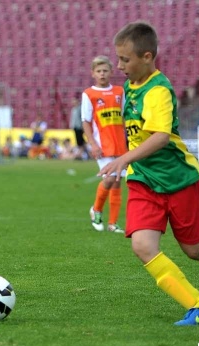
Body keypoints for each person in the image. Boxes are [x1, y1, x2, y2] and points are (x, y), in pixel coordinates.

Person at [99, 21, 199, 325]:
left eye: (125, 60)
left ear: (147, 57)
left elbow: (159, 137)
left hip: (179, 179)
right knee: (142, 246)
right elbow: (135, 135)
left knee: (194, 250)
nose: (119, 66)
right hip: (144, 180)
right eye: (117, 59)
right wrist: (122, 166)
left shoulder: (158, 90)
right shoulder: (130, 88)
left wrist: (122, 159)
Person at [82, 55, 128, 234]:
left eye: (105, 70)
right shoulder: (89, 94)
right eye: (98, 71)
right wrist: (93, 144)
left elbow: (123, 117)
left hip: (119, 144)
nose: (102, 74)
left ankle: (112, 223)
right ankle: (96, 209)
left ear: (111, 72)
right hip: (103, 145)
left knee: (117, 181)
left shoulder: (119, 92)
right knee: (109, 179)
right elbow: (85, 121)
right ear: (93, 73)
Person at [69, 95, 86, 159]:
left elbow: (82, 118)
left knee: (80, 142)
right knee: (80, 141)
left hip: (79, 127)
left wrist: (83, 126)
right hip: (75, 127)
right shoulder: (73, 109)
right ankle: (81, 153)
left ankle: (80, 154)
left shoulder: (80, 108)